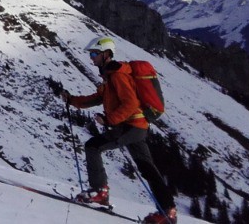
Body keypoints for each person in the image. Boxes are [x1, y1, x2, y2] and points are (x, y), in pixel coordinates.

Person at [62, 36, 177, 224]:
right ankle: (167, 212)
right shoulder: (110, 76)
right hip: (137, 127)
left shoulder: (117, 75)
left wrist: (109, 119)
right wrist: (72, 100)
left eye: (94, 54)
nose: (91, 58)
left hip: (130, 126)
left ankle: (100, 192)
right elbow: (96, 98)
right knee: (147, 168)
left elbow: (131, 103)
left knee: (93, 146)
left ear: (106, 54)